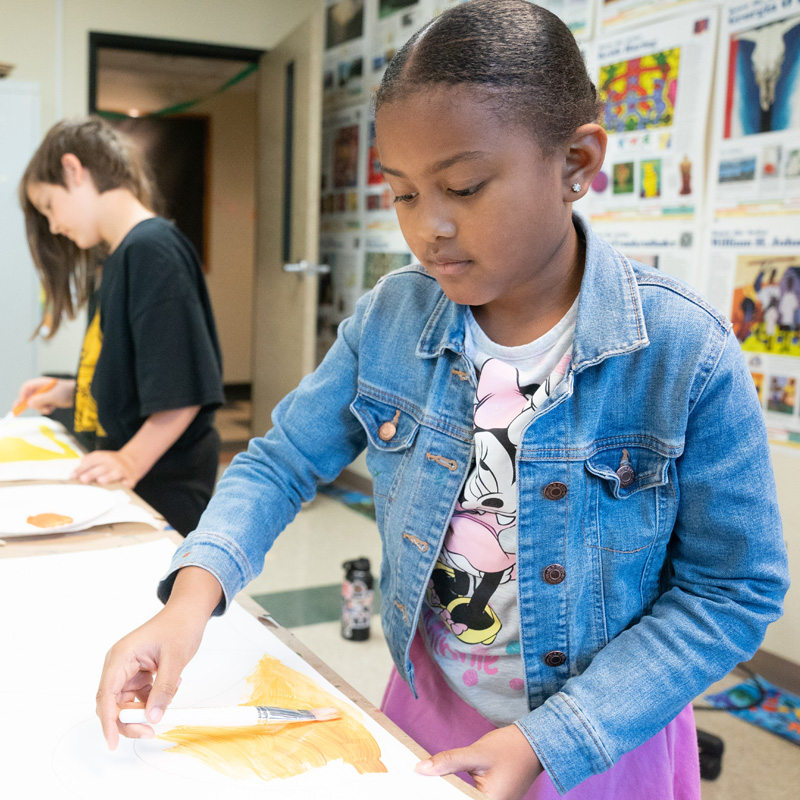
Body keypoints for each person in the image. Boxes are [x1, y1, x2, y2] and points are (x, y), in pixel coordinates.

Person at [95, 3, 789, 798]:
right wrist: (189, 603)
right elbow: (282, 461)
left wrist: (551, 739)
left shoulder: (681, 352)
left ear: (578, 160)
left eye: (462, 186)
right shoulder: (394, 318)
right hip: (432, 704)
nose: (430, 228)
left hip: (600, 732)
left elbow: (733, 589)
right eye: (403, 193)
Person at [16, 117, 224, 535]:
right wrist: (72, 390)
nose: (54, 225)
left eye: (50, 207)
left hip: (162, 489)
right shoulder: (123, 255)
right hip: (133, 483)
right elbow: (144, 376)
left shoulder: (152, 252)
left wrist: (129, 460)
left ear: (74, 170)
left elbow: (182, 392)